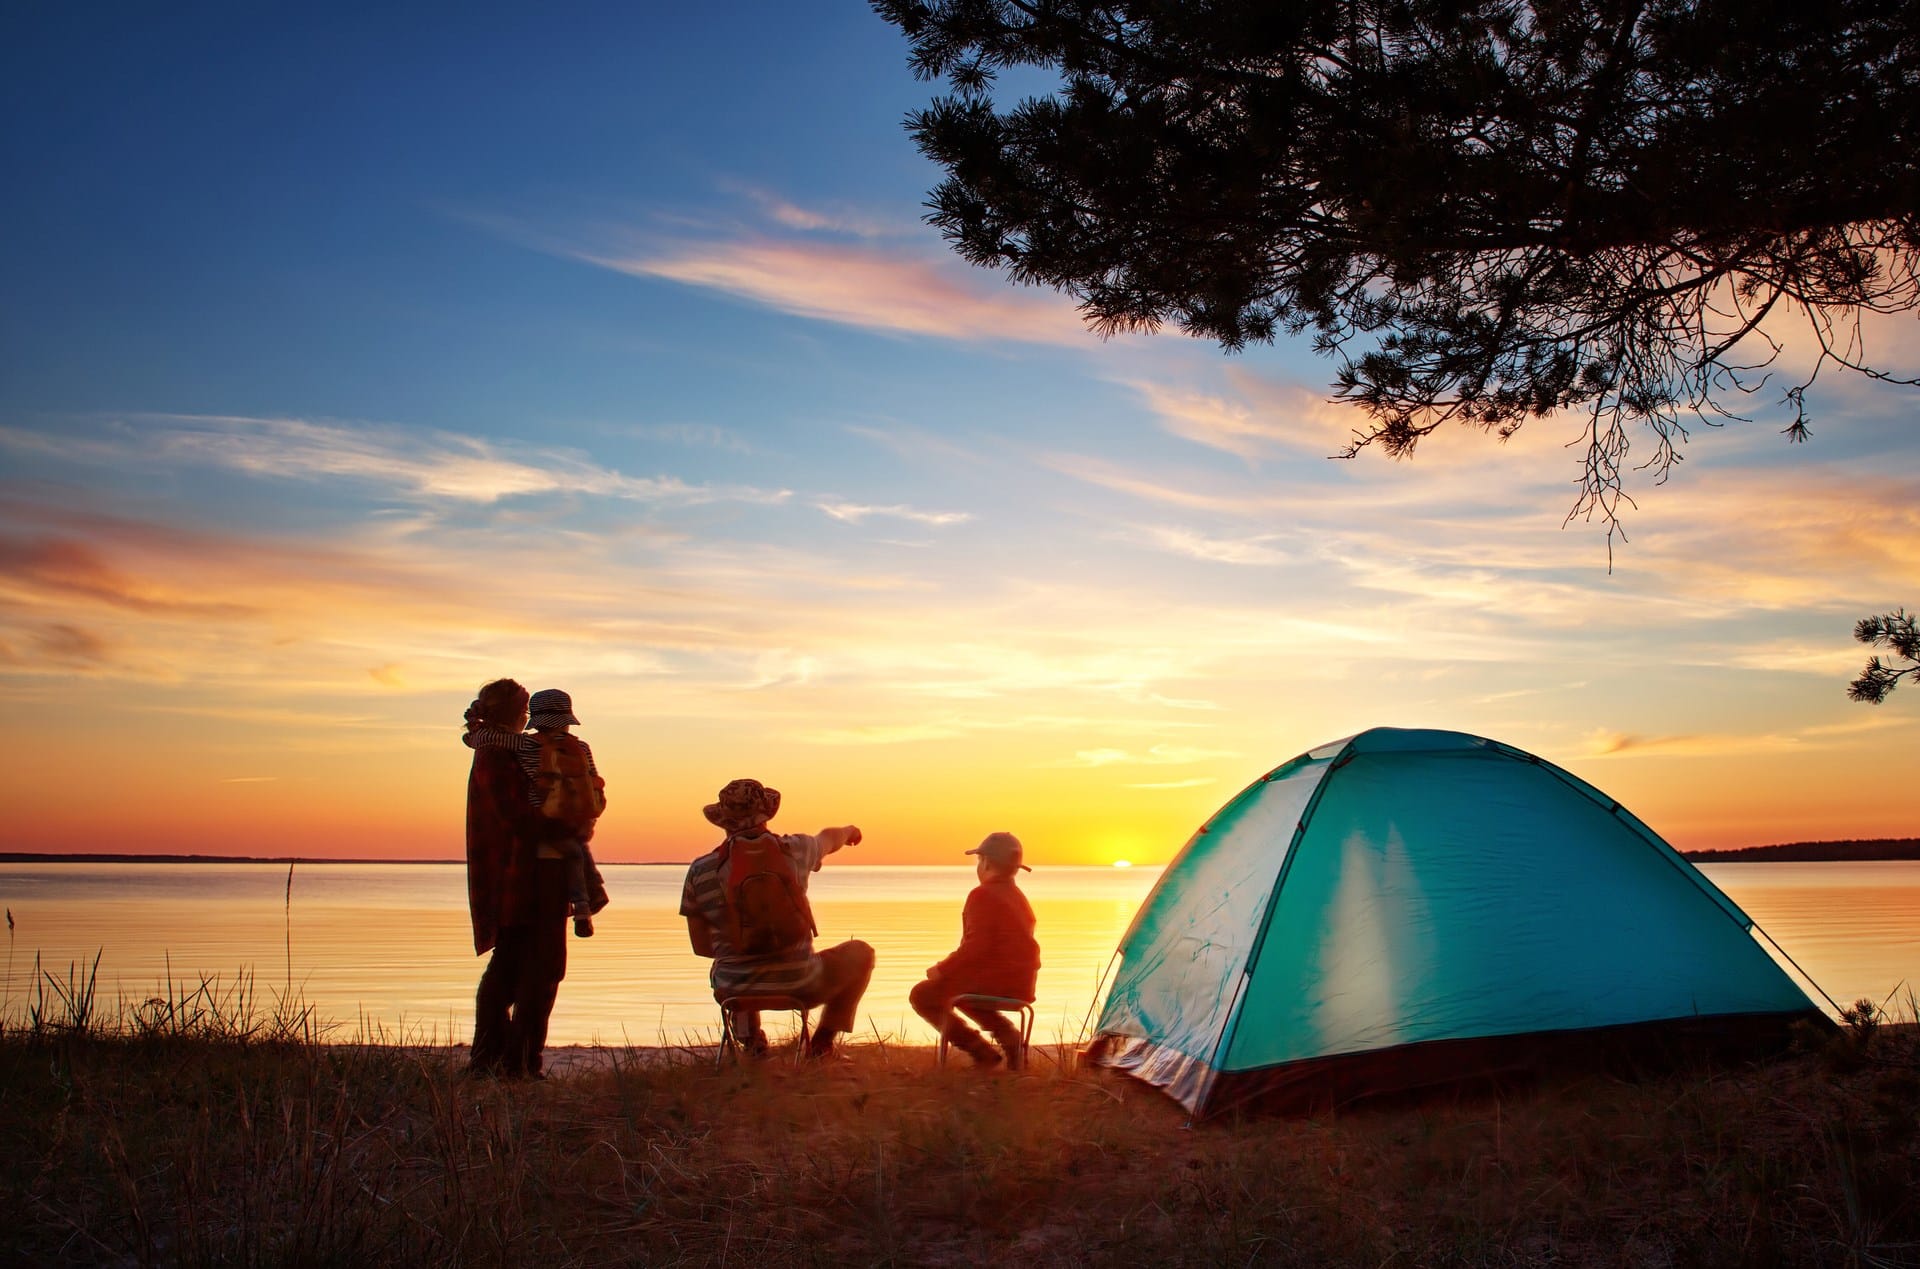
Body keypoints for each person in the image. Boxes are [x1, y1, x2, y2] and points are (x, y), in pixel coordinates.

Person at [680, 778, 874, 1060]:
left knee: (729, 961)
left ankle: (751, 1042)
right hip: (801, 984)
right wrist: (850, 831)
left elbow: (701, 947)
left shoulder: (700, 870)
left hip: (733, 989)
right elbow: (828, 839)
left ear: (722, 820)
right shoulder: (796, 850)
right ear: (767, 815)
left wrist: (747, 948)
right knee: (861, 953)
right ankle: (821, 1045)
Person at [462, 678, 581, 1078]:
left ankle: (504, 1060)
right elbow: (516, 817)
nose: (528, 717)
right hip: (524, 875)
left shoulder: (505, 748)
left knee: (519, 968)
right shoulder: (497, 754)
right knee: (536, 969)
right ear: (514, 712)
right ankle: (513, 1062)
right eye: (524, 708)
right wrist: (567, 826)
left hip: (530, 872)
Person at [465, 688, 609, 937]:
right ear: (568, 720)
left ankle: (584, 907)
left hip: (545, 821)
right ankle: (584, 907)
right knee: (577, 855)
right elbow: (596, 781)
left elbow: (487, 739)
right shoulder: (582, 748)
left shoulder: (526, 744)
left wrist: (473, 730)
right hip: (574, 824)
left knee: (573, 855)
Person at [909, 831, 1041, 1070]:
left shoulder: (982, 894)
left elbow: (975, 946)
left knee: (923, 994)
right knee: (960, 984)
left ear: (987, 862)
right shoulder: (1018, 897)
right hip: (1021, 983)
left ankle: (981, 1052)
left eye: (979, 861)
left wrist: (942, 968)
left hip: (995, 982)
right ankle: (1006, 1035)